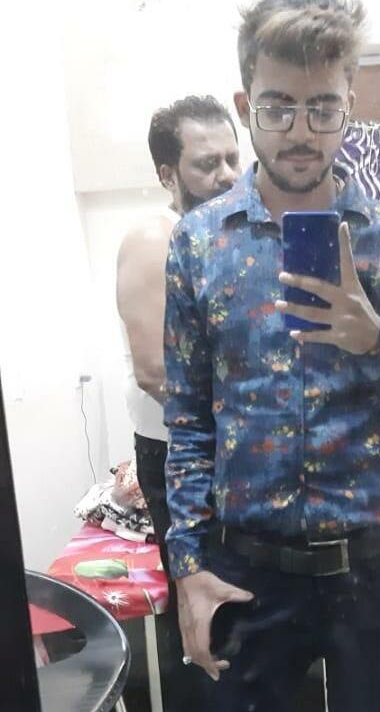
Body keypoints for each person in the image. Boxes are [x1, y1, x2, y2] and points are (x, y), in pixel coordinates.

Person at [163, 0, 380, 712]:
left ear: (349, 102)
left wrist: (373, 339)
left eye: (322, 107)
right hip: (245, 572)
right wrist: (188, 567)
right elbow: (188, 421)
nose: (300, 131)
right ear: (244, 105)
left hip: (371, 568)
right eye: (277, 106)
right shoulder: (198, 243)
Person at [116, 94, 241, 709]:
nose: (227, 175)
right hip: (182, 456)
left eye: (232, 159)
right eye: (206, 164)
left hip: (237, 452)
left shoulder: (232, 236)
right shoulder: (153, 239)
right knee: (209, 616)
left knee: (254, 611)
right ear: (168, 174)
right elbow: (153, 372)